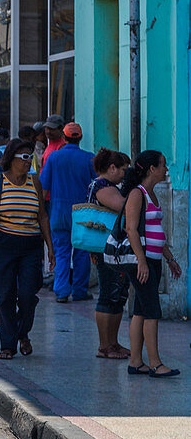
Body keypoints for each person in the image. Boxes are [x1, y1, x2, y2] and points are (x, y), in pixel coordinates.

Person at [0, 138, 55, 360]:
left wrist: (49, 247)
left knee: (28, 295)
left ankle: (22, 332)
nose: (28, 161)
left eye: (30, 157)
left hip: (31, 246)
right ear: (11, 159)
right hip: (4, 245)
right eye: (24, 157)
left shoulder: (35, 182)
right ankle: (8, 344)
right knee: (5, 296)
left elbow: (42, 215)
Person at [120, 151, 182, 377]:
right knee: (152, 311)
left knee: (140, 310)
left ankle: (136, 362)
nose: (166, 169)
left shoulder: (152, 194)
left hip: (152, 260)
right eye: (163, 165)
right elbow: (131, 229)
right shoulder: (138, 194)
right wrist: (142, 262)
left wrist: (170, 259)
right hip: (142, 261)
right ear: (151, 169)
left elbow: (157, 232)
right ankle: (156, 364)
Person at [39, 122, 96, 302]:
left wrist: (40, 212)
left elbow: (43, 187)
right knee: (81, 253)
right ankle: (79, 291)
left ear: (63, 137)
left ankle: (61, 291)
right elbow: (97, 187)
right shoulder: (89, 159)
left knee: (61, 253)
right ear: (80, 138)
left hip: (58, 213)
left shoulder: (54, 158)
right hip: (82, 214)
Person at [88, 148, 131, 360]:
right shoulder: (102, 186)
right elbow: (123, 206)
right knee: (108, 294)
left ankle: (113, 343)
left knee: (117, 295)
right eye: (123, 170)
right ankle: (105, 346)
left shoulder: (110, 185)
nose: (125, 174)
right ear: (112, 168)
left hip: (112, 247)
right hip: (106, 248)